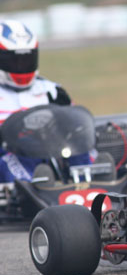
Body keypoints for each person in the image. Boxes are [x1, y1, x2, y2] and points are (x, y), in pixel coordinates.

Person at [0, 20, 91, 184]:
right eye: (15, 61)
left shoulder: (52, 92)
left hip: (53, 152)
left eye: (27, 59)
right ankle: (30, 195)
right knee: (10, 161)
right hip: (10, 157)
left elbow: (75, 127)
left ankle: (92, 189)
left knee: (81, 152)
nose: (21, 66)